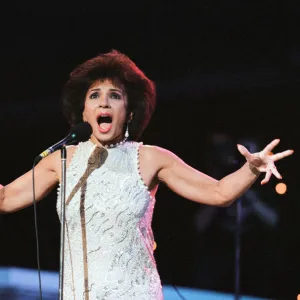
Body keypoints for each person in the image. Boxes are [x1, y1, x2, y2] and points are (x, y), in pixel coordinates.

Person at [0, 50, 293, 300]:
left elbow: (219, 193)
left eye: (114, 95)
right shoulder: (61, 160)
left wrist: (252, 167)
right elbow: (5, 198)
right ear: (85, 111)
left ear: (129, 111)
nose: (103, 103)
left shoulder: (150, 158)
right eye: (94, 96)